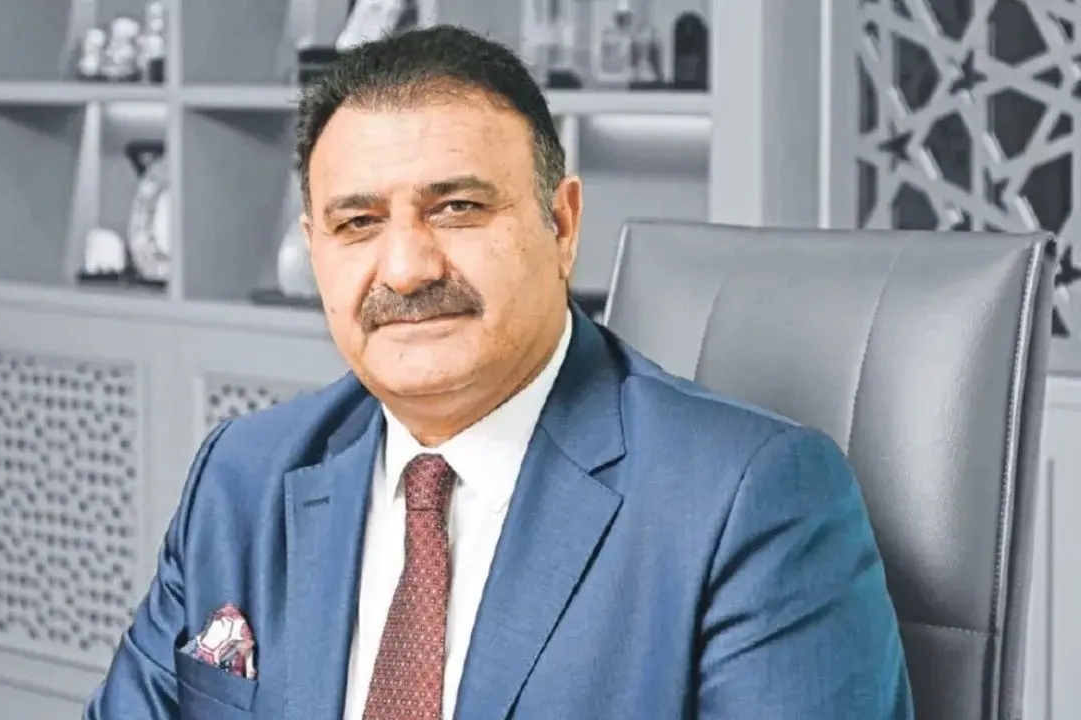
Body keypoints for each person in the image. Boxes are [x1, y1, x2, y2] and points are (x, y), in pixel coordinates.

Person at [84, 24, 913, 720]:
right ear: (314, 250)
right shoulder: (241, 478)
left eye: (457, 208)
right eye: (358, 222)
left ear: (562, 225)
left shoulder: (750, 503)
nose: (406, 268)